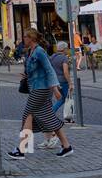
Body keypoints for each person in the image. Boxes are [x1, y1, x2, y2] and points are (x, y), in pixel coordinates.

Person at [7, 28, 72, 159]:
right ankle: (67, 147)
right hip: (35, 88)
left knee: (28, 115)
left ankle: (22, 149)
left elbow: (49, 70)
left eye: (25, 36)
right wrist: (26, 76)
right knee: (49, 118)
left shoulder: (40, 51)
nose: (23, 39)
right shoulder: (30, 52)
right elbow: (36, 71)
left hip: (41, 89)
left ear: (31, 38)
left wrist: (55, 89)